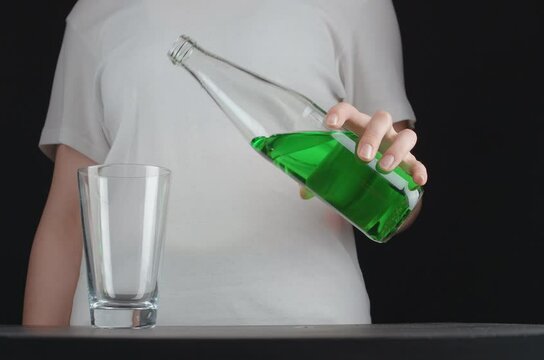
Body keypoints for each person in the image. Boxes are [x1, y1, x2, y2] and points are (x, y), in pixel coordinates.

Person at [23, 0, 428, 326]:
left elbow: (398, 200)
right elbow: (68, 218)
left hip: (308, 328)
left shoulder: (356, 6)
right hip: (127, 334)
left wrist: (396, 170)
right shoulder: (97, 13)